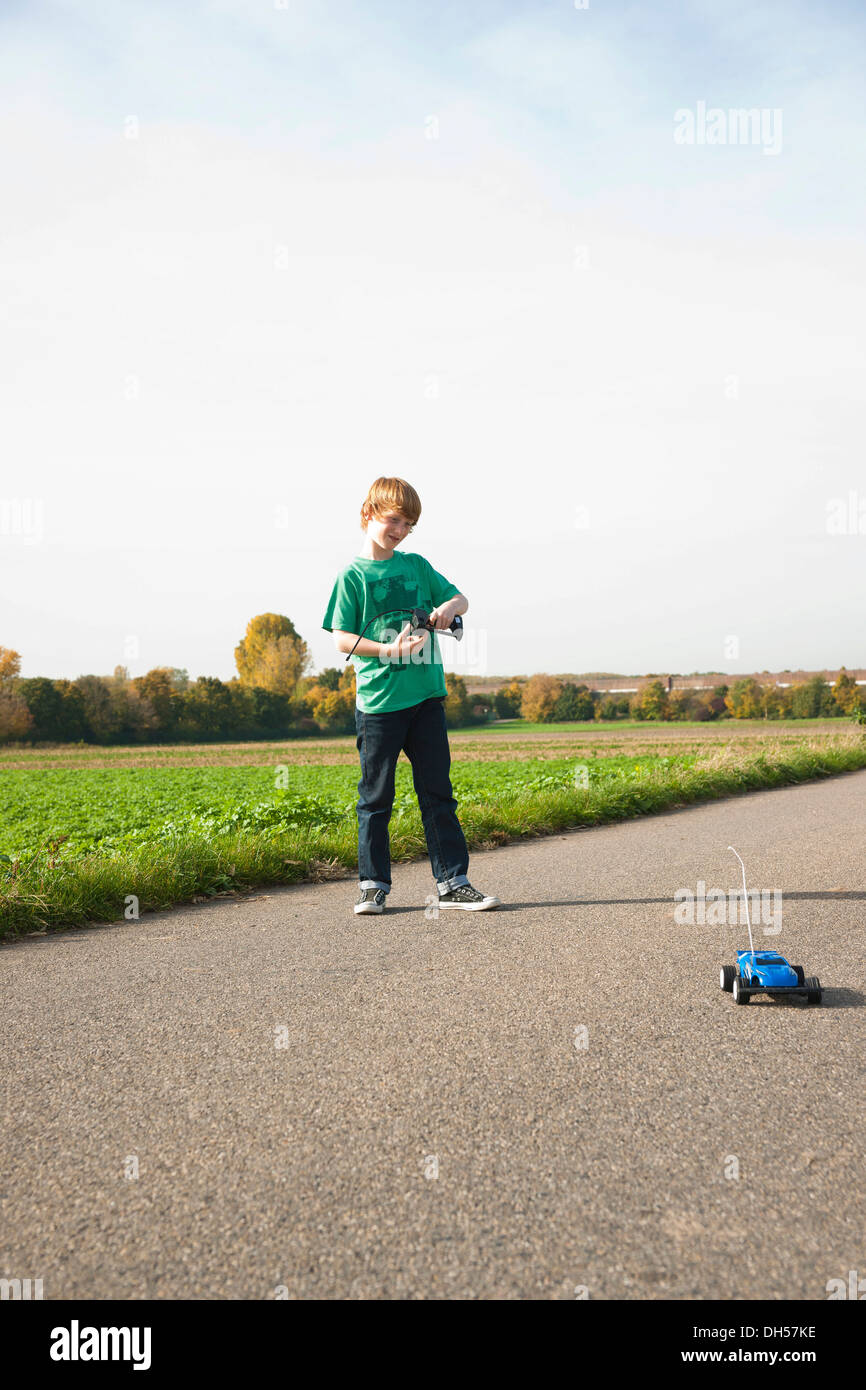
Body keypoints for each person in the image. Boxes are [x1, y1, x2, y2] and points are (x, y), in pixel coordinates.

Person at [322, 476, 500, 915]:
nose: (400, 530)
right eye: (394, 520)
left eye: (409, 524)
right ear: (369, 514)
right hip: (379, 706)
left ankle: (453, 883)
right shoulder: (353, 575)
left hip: (426, 699)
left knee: (437, 792)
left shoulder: (417, 565)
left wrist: (447, 611)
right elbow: (341, 639)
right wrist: (388, 650)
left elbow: (461, 599)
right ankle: (373, 886)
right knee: (375, 798)